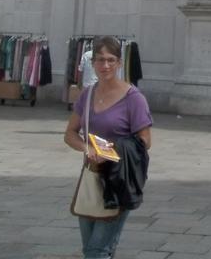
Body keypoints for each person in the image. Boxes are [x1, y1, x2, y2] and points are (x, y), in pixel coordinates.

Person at [64, 36, 152, 259]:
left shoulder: (134, 99)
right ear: (92, 63)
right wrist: (87, 149)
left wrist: (110, 151)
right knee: (93, 248)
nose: (105, 66)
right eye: (100, 60)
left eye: (111, 60)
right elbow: (70, 134)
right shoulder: (88, 94)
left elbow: (145, 141)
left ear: (120, 63)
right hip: (91, 175)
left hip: (118, 180)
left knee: (97, 250)